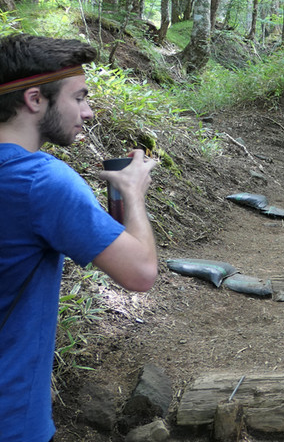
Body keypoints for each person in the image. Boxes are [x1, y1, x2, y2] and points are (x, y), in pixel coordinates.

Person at [0, 33, 159, 442]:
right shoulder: (41, 181)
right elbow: (140, 272)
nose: (88, 112)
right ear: (35, 100)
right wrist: (132, 194)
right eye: (80, 97)